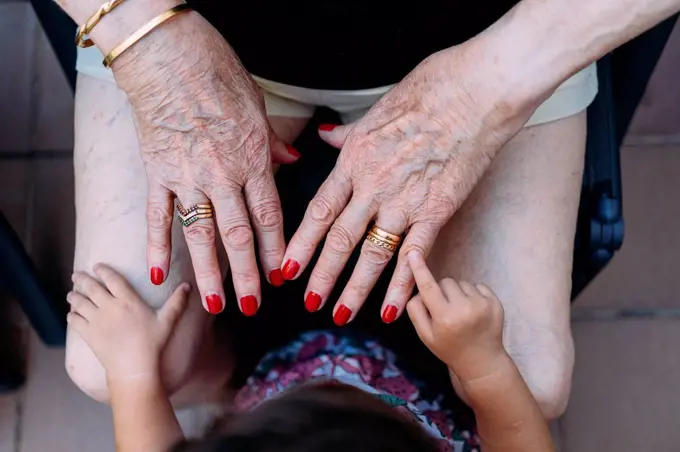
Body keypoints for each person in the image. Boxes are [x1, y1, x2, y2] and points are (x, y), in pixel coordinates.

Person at [54, 0, 680, 420]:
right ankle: (242, 398)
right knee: (527, 381)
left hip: (504, 37)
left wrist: (484, 91)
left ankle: (242, 399)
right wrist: (149, 43)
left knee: (113, 365)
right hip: (176, 24)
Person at [66, 252, 555, 452]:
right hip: (429, 371)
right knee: (539, 380)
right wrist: (481, 362)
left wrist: (132, 374)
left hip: (271, 362)